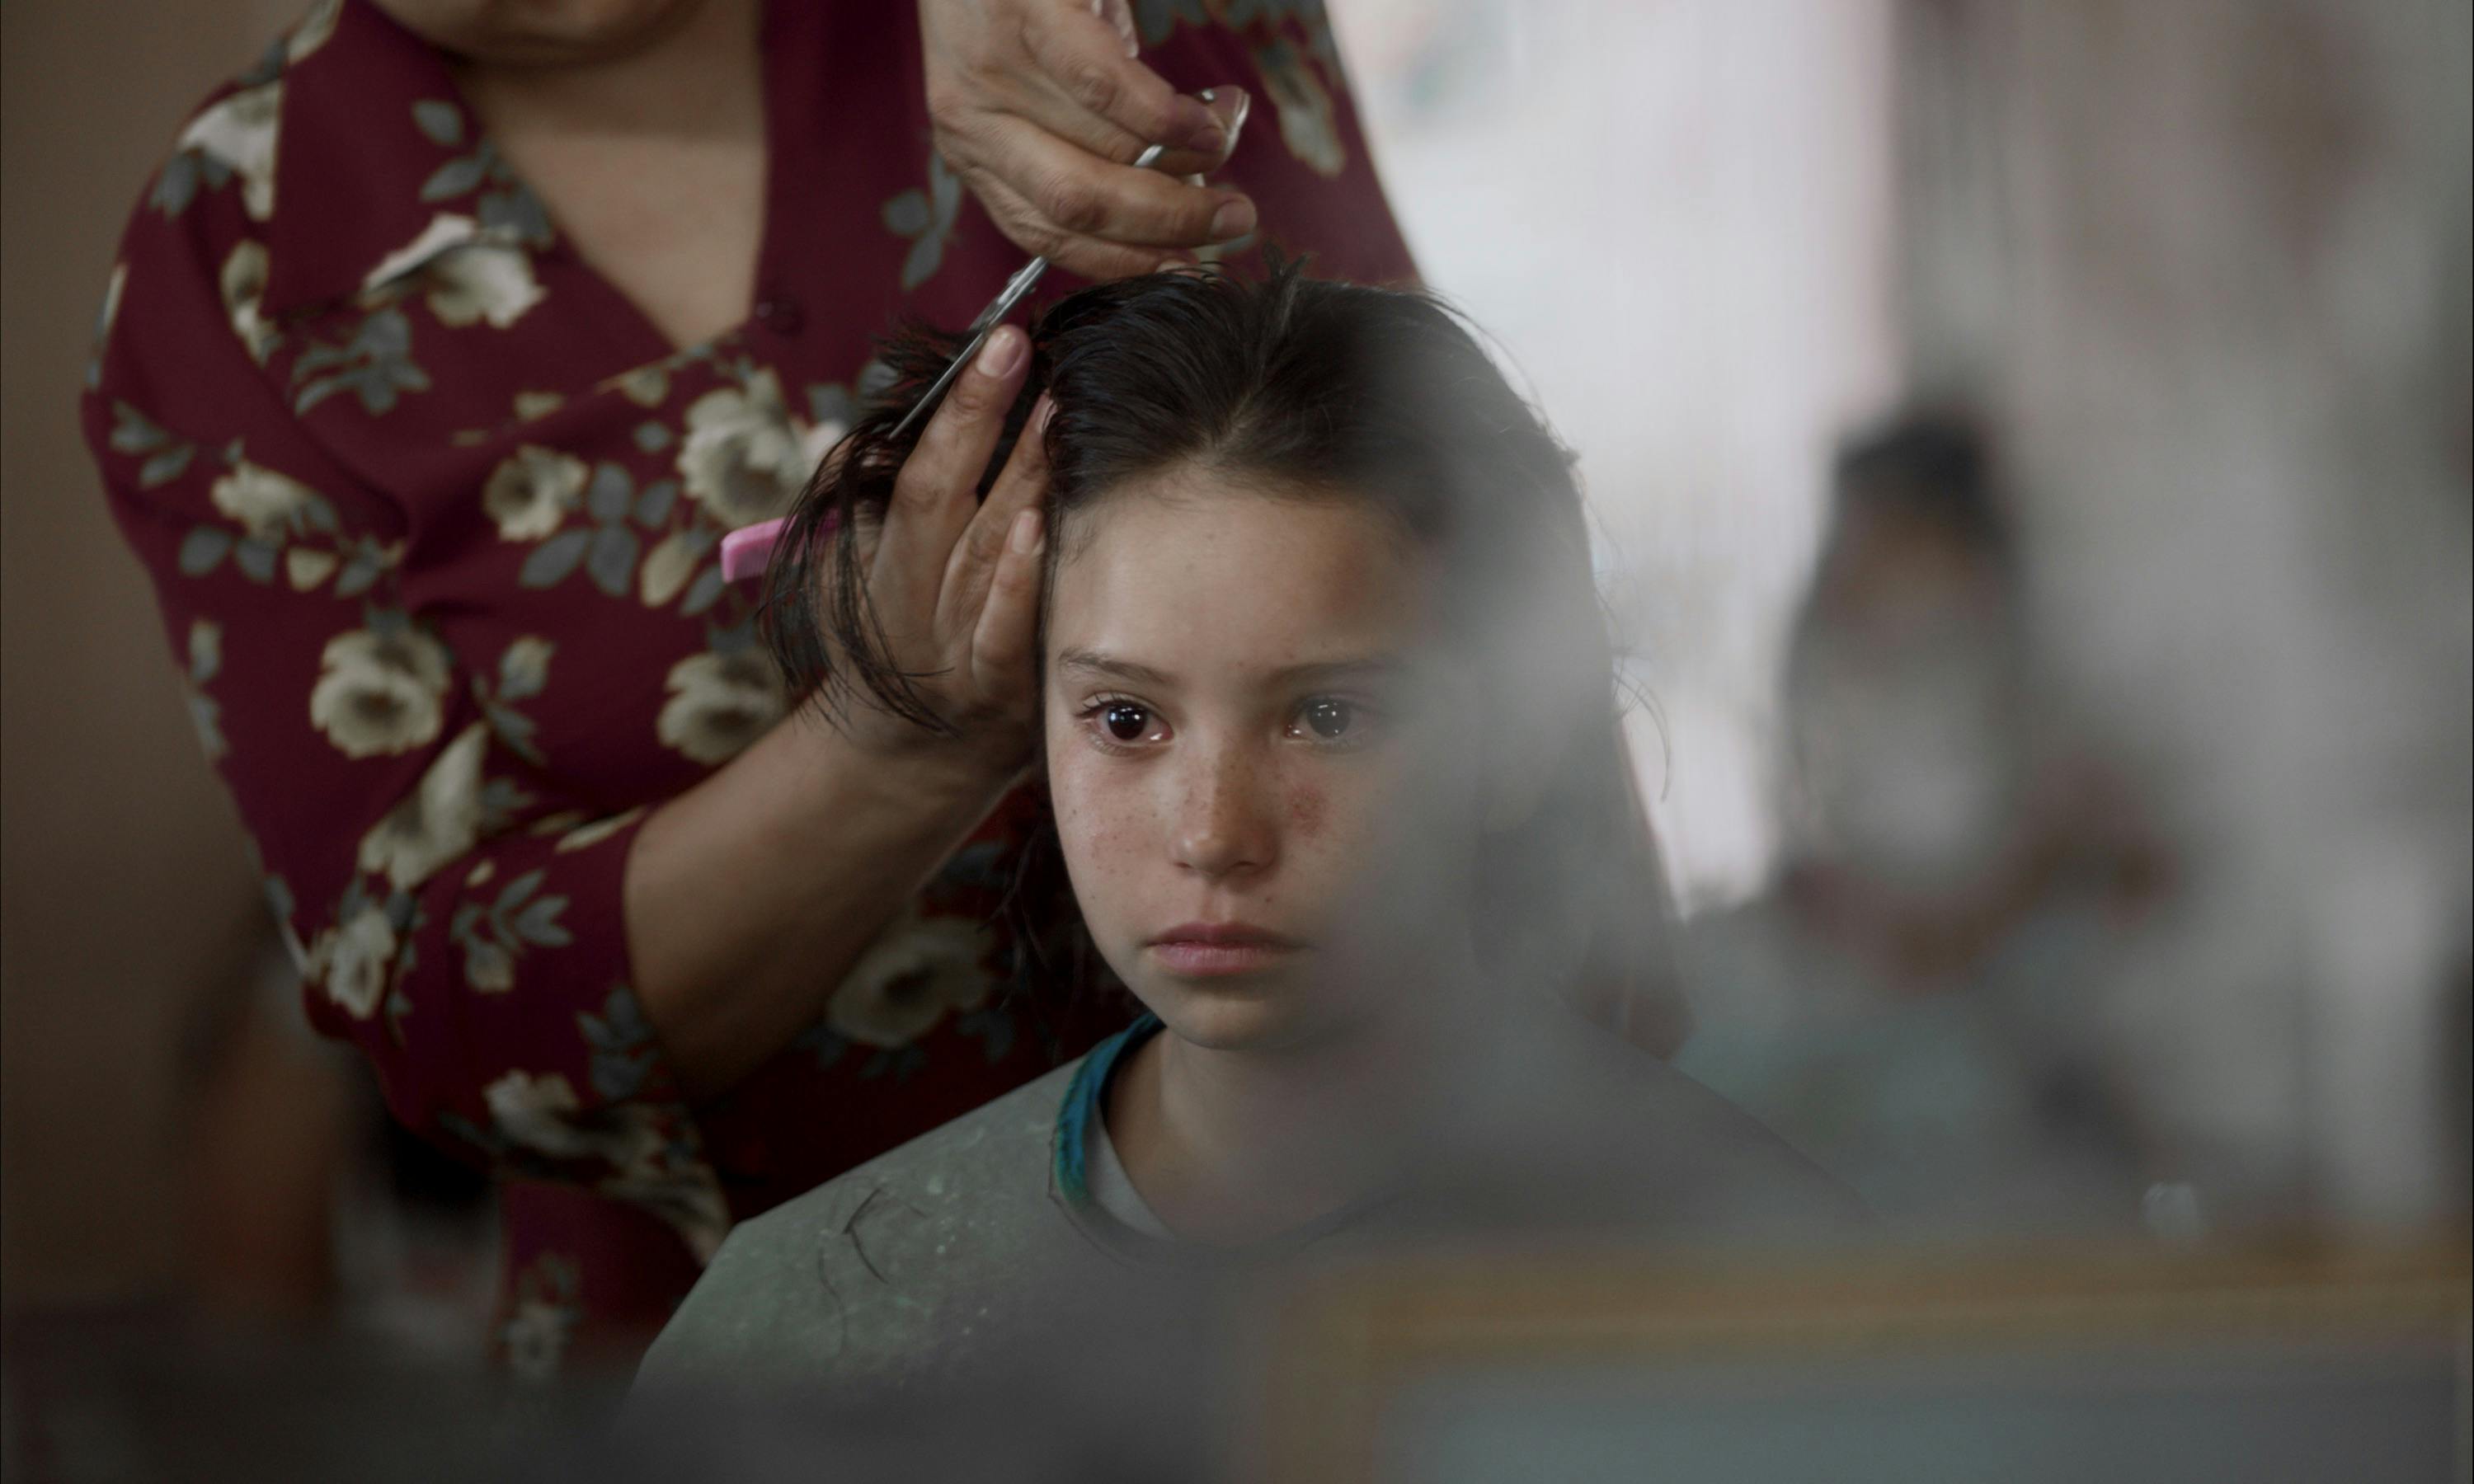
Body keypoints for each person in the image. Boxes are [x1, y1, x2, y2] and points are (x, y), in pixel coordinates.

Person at [80, 0, 1416, 1374]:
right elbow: (452, 1019)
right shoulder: (243, 248)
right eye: (1129, 721)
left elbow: (1476, 570)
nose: (1209, 832)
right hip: (750, 1375)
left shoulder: (1120, 27)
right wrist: (892, 736)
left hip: (1381, 1282)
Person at [631, 260, 1855, 1393]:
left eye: (1327, 714)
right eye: (1124, 718)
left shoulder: (1770, 1288)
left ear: (1519, 730)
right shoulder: (819, 1318)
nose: (1216, 834)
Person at [1677, 416, 2166, 1232]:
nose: (1856, 579)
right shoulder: (1712, 988)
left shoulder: (2060, 774)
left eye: (1889, 542)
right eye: (1850, 548)